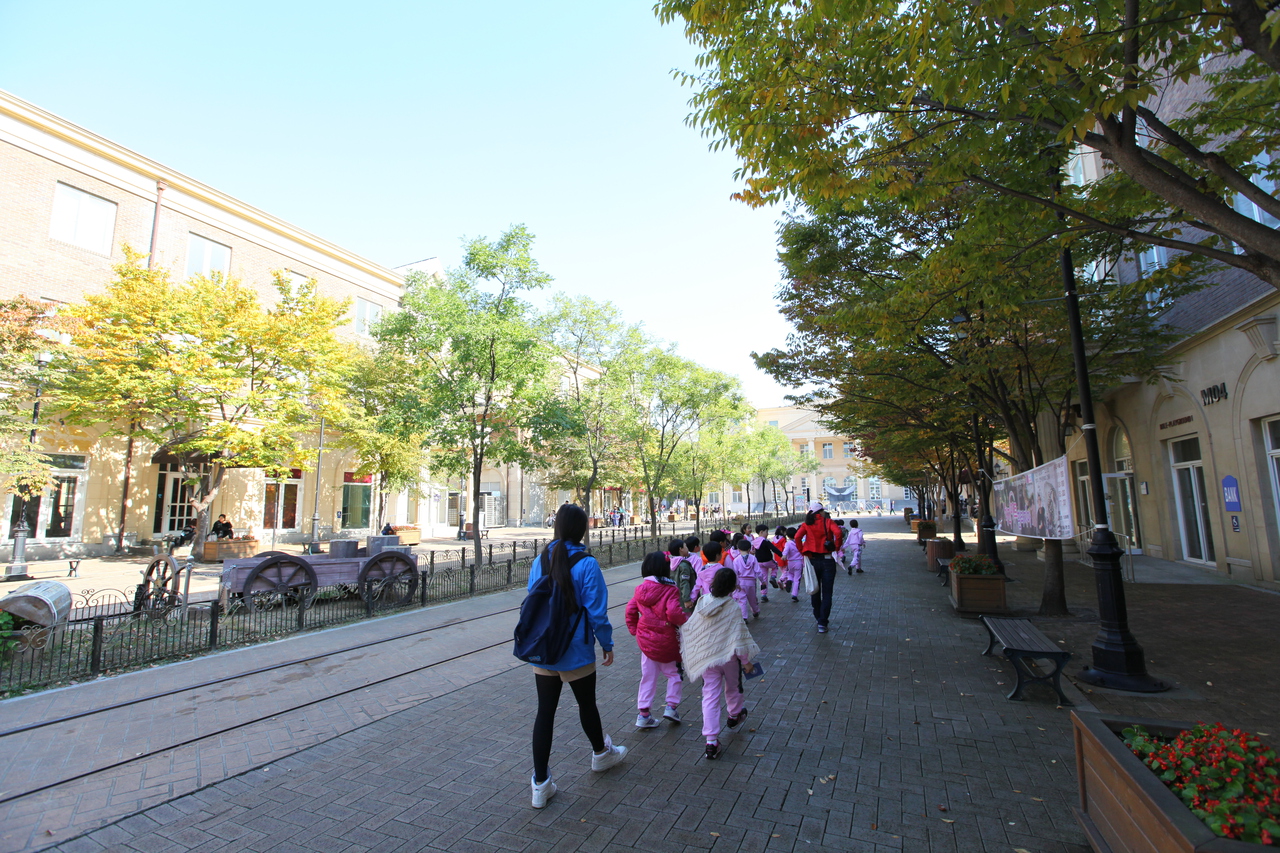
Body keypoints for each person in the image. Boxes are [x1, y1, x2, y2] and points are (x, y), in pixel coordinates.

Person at [526, 504, 626, 809]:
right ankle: (600, 754)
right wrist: (606, 643)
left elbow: (531, 600)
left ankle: (540, 784)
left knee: (545, 713)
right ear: (582, 529)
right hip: (576, 650)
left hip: (544, 650)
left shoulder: (540, 559)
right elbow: (597, 612)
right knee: (586, 705)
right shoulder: (587, 564)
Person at [679, 567, 760, 760]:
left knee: (709, 695)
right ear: (732, 587)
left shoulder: (702, 602)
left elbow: (693, 628)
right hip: (729, 658)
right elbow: (739, 638)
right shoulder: (732, 607)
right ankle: (734, 715)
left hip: (708, 658)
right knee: (733, 687)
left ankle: (711, 741)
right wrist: (746, 662)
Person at [625, 552, 688, 728]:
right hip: (668, 640)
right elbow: (674, 613)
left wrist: (634, 630)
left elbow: (630, 610)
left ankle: (643, 714)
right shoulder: (670, 589)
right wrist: (685, 622)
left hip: (646, 641)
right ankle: (671, 707)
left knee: (648, 676)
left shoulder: (640, 589)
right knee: (674, 673)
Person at [795, 502, 843, 633]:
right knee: (827, 593)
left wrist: (802, 550)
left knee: (814, 589)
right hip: (828, 560)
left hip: (812, 560)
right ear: (820, 512)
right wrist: (836, 547)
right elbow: (838, 533)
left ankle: (818, 617)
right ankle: (823, 621)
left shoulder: (806, 524)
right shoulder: (828, 522)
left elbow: (797, 537)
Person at [732, 538, 761, 619]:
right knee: (752, 598)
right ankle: (755, 611)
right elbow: (758, 571)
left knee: (742, 600)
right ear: (749, 549)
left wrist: (736, 583)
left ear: (739, 549)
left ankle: (744, 616)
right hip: (751, 582)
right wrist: (763, 581)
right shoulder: (753, 558)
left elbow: (735, 573)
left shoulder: (736, 560)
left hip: (740, 582)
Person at [781, 527, 803, 601]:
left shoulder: (788, 543)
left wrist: (784, 555)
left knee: (790, 574)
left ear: (787, 535)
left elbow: (786, 550)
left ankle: (789, 580)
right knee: (797, 579)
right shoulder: (799, 542)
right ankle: (794, 594)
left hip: (790, 562)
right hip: (799, 562)